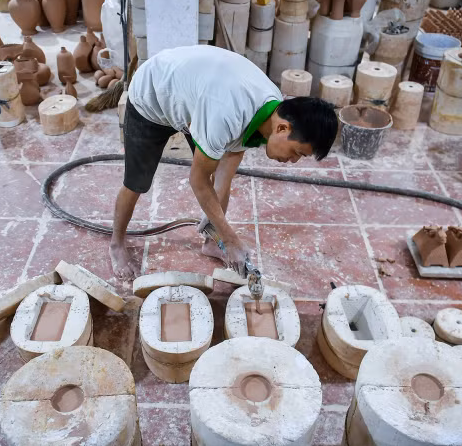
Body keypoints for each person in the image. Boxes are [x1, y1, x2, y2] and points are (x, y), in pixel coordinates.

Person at [110, 45, 338, 279]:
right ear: (282, 128)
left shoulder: (271, 110)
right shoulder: (226, 115)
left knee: (216, 177)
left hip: (195, 98)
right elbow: (197, 181)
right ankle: (116, 244)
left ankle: (211, 243)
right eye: (297, 152)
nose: (292, 161)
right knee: (137, 182)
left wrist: (217, 230)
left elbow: (225, 171)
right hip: (153, 94)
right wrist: (230, 240)